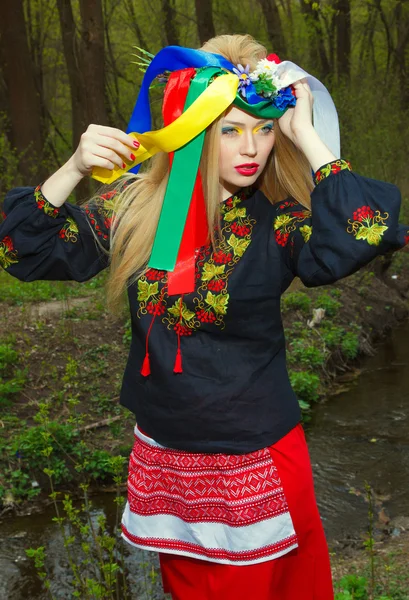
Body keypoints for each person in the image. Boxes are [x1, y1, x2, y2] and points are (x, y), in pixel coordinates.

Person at [0, 34, 408, 600]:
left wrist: (307, 137)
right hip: (169, 462)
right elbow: (17, 246)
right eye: (231, 129)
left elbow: (365, 231)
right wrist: (72, 167)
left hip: (256, 459)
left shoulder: (280, 225)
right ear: (192, 127)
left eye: (264, 130)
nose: (252, 149)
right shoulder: (133, 211)